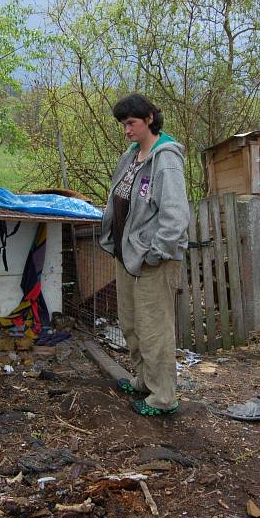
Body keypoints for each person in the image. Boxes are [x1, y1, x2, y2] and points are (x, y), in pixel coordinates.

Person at [99, 94, 191, 416]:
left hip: (154, 261)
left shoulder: (166, 158)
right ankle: (142, 380)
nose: (126, 130)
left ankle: (163, 396)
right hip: (127, 256)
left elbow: (176, 216)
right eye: (123, 125)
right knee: (131, 324)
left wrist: (157, 253)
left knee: (155, 329)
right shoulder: (132, 156)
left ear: (150, 118)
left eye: (131, 123)